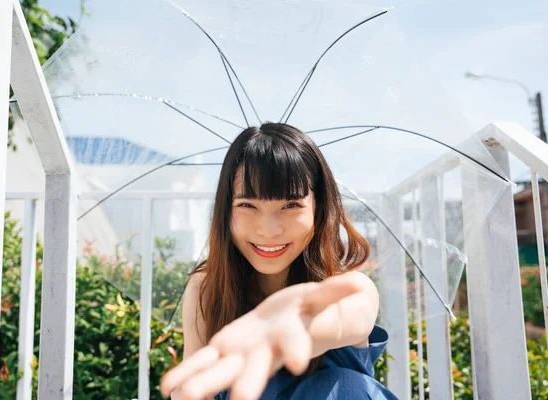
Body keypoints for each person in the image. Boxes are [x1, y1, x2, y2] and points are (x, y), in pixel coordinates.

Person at [160, 123, 398, 400]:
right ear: (226, 210)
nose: (269, 230)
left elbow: (349, 318)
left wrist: (289, 332)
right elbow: (192, 388)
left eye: (291, 205)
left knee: (343, 384)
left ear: (318, 208)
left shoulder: (347, 288)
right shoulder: (207, 286)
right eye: (247, 205)